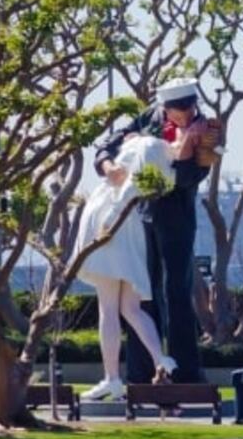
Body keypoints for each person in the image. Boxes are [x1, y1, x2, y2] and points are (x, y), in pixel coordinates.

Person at [94, 77, 220, 384]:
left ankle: (185, 371)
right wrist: (110, 167)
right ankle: (142, 370)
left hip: (177, 217)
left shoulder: (204, 129)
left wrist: (186, 146)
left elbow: (191, 176)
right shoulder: (148, 118)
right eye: (179, 110)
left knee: (178, 291)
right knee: (141, 293)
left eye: (190, 108)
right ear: (165, 108)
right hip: (139, 217)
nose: (186, 115)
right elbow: (106, 147)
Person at [77, 134, 178, 401]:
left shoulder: (147, 146)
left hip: (115, 224)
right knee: (130, 309)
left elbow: (129, 188)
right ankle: (160, 358)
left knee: (108, 308)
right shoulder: (162, 156)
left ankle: (112, 378)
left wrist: (110, 220)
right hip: (128, 226)